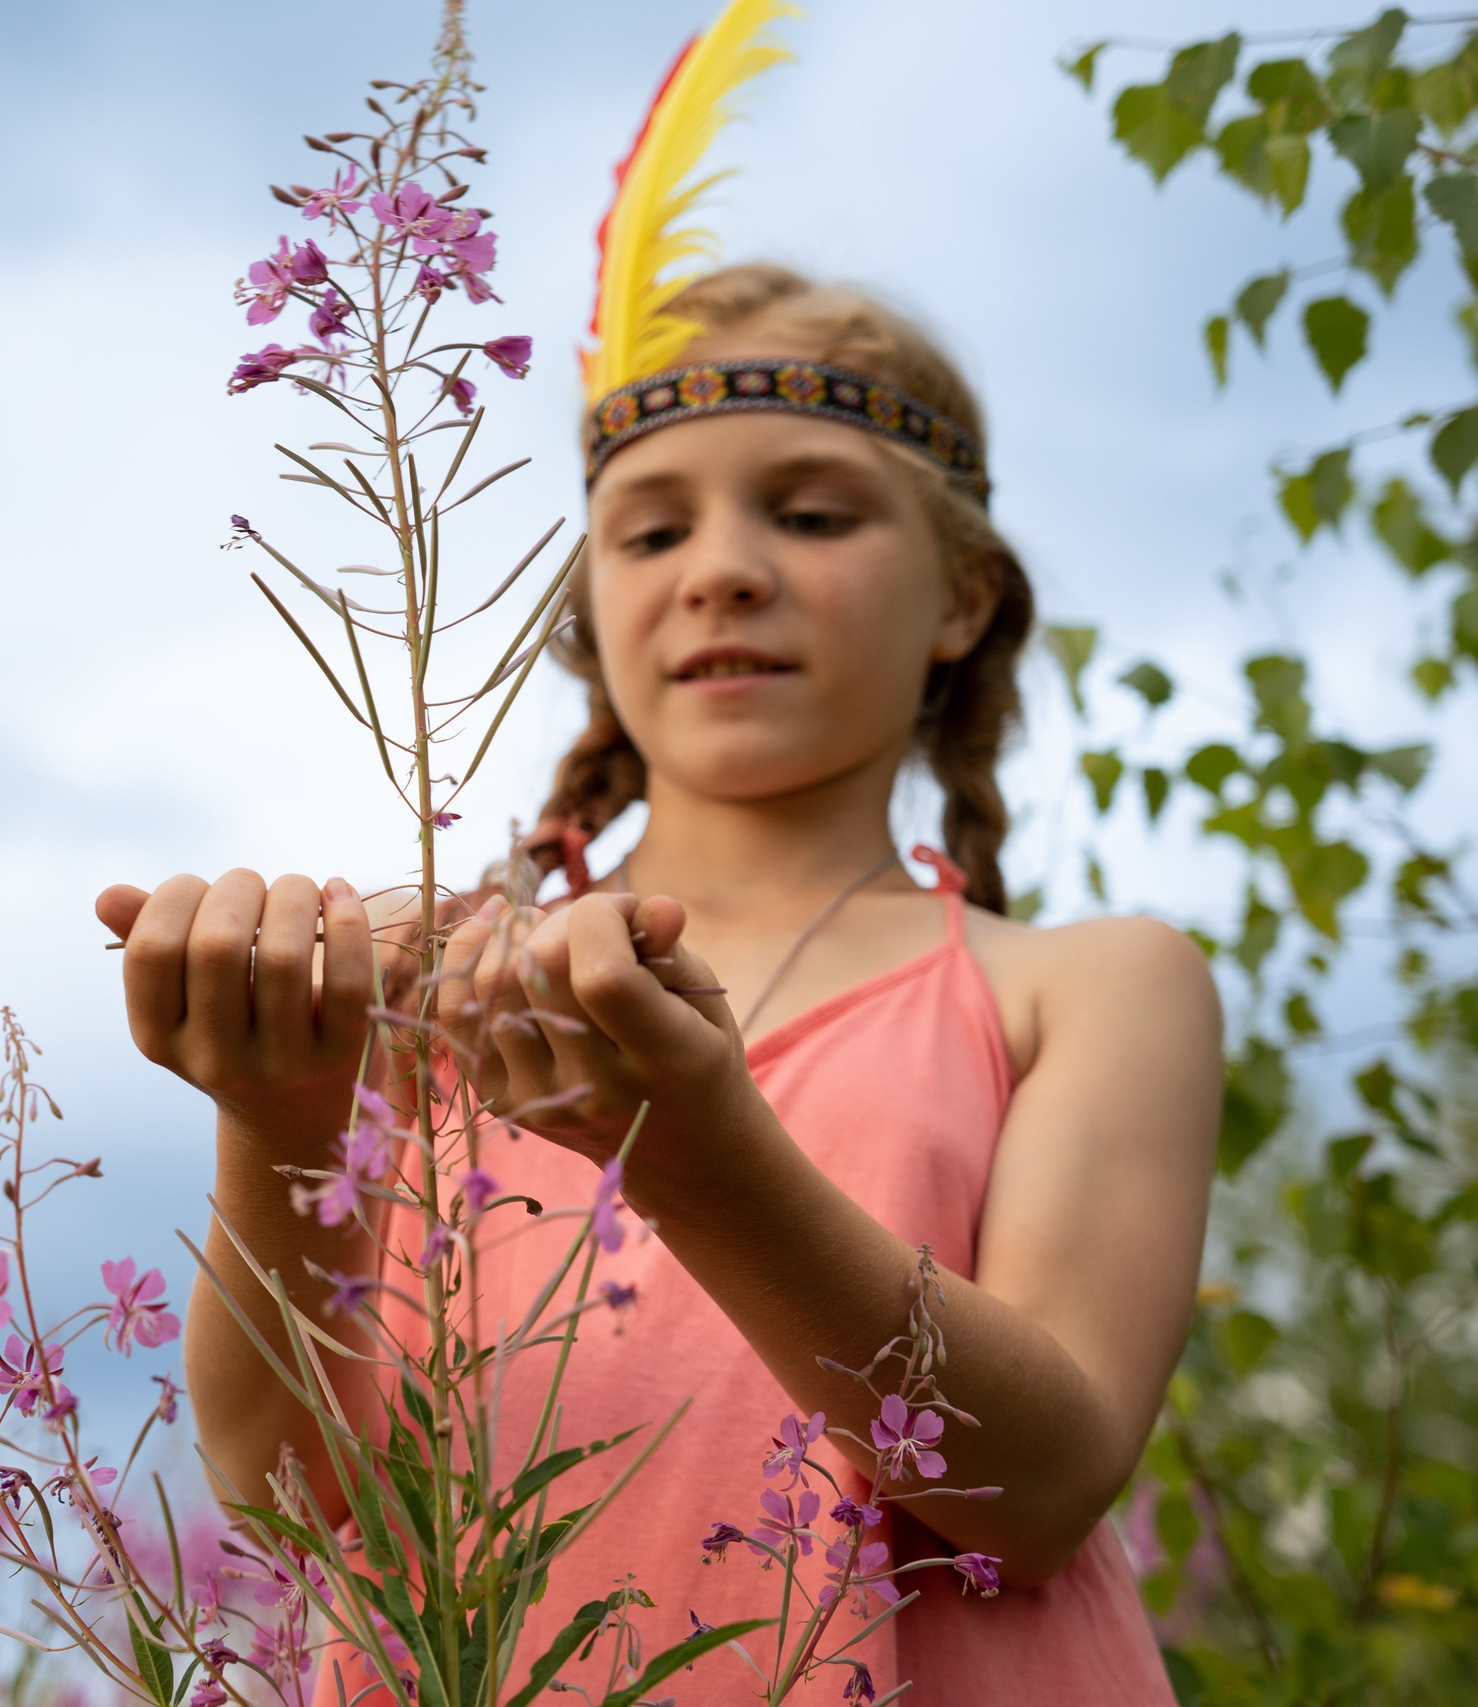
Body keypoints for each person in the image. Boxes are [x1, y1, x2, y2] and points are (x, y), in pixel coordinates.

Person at [93, 257, 1219, 1703]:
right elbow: (295, 1510)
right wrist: (286, 1123)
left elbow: (1043, 1485)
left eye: (813, 515)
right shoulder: (433, 982)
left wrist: (700, 1154)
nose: (722, 568)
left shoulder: (1090, 987)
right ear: (590, 609)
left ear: (964, 598)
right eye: (650, 530)